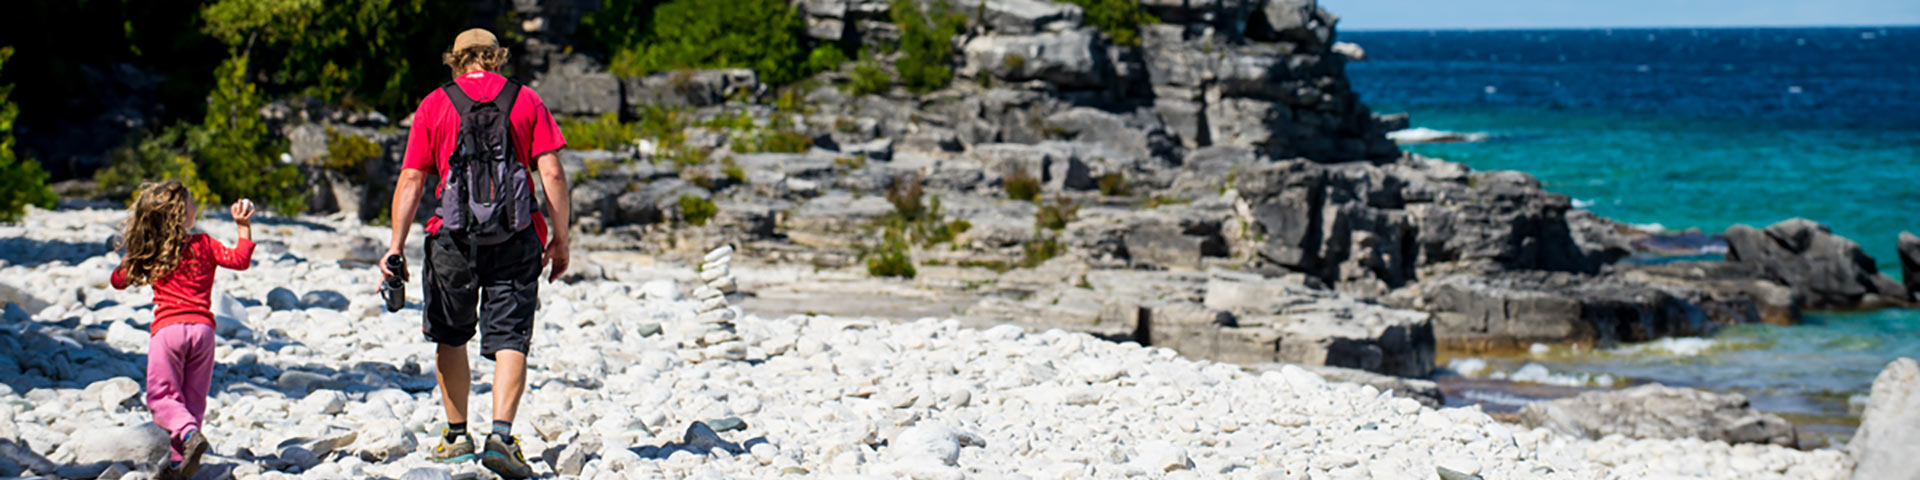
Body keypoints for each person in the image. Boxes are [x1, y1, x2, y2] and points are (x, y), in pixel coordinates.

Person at [381, 28, 570, 479]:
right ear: (497, 59)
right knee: (510, 338)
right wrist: (561, 239)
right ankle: (501, 437)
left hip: (451, 238)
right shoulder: (526, 99)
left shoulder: (434, 103)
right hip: (517, 235)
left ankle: (456, 436)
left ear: (455, 61)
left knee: (451, 333)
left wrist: (394, 247)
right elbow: (554, 174)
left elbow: (411, 180)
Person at [110, 181, 256, 480]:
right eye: (192, 202)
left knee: (161, 398)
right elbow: (240, 260)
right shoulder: (204, 243)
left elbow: (118, 280)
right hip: (203, 332)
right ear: (182, 213)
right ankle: (180, 462)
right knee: (192, 399)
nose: (196, 207)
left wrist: (133, 250)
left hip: (169, 332)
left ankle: (188, 437)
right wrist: (242, 226)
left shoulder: (151, 250)